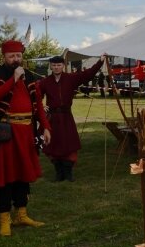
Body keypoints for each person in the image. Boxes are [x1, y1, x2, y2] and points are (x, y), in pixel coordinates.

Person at [0, 40, 52, 236]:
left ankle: (21, 214)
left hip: (25, 133)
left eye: (18, 56)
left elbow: (38, 106)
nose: (15, 59)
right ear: (4, 57)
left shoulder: (30, 76)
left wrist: (46, 127)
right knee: (5, 176)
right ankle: (4, 218)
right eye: (11, 56)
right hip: (4, 134)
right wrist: (13, 80)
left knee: (23, 174)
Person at [38, 54, 106, 182]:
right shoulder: (45, 82)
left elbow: (88, 74)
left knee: (68, 143)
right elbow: (36, 96)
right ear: (50, 66)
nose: (56, 67)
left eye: (59, 65)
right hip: (52, 118)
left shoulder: (70, 78)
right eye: (54, 65)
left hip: (66, 117)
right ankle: (59, 173)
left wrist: (100, 61)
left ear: (63, 66)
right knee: (54, 144)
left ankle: (68, 173)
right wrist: (41, 106)